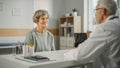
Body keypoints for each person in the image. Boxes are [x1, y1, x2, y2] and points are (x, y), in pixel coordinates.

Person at [64, 0, 120, 68]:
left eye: (96, 10)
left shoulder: (104, 28)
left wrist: (68, 53)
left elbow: (80, 55)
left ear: (102, 11)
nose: (95, 13)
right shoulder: (116, 24)